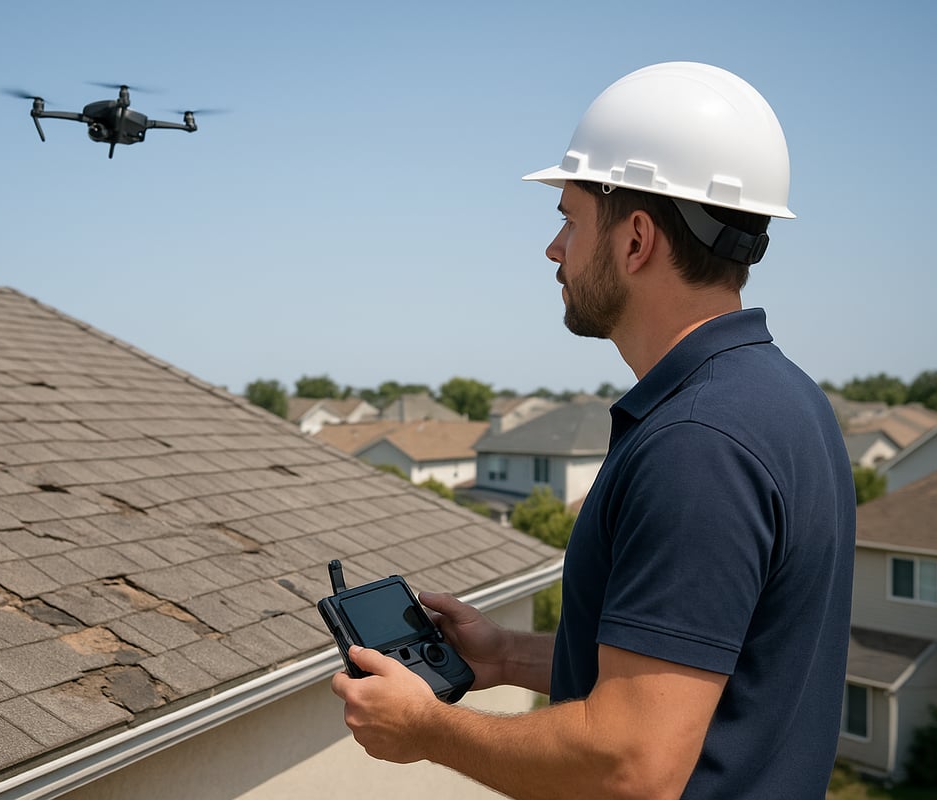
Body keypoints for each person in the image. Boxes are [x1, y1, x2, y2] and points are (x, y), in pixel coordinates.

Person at [331, 61, 855, 799]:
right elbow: (693, 669)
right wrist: (508, 656)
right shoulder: (781, 398)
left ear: (636, 239)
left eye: (570, 220)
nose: (554, 250)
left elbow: (630, 764)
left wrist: (425, 728)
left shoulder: (698, 446)